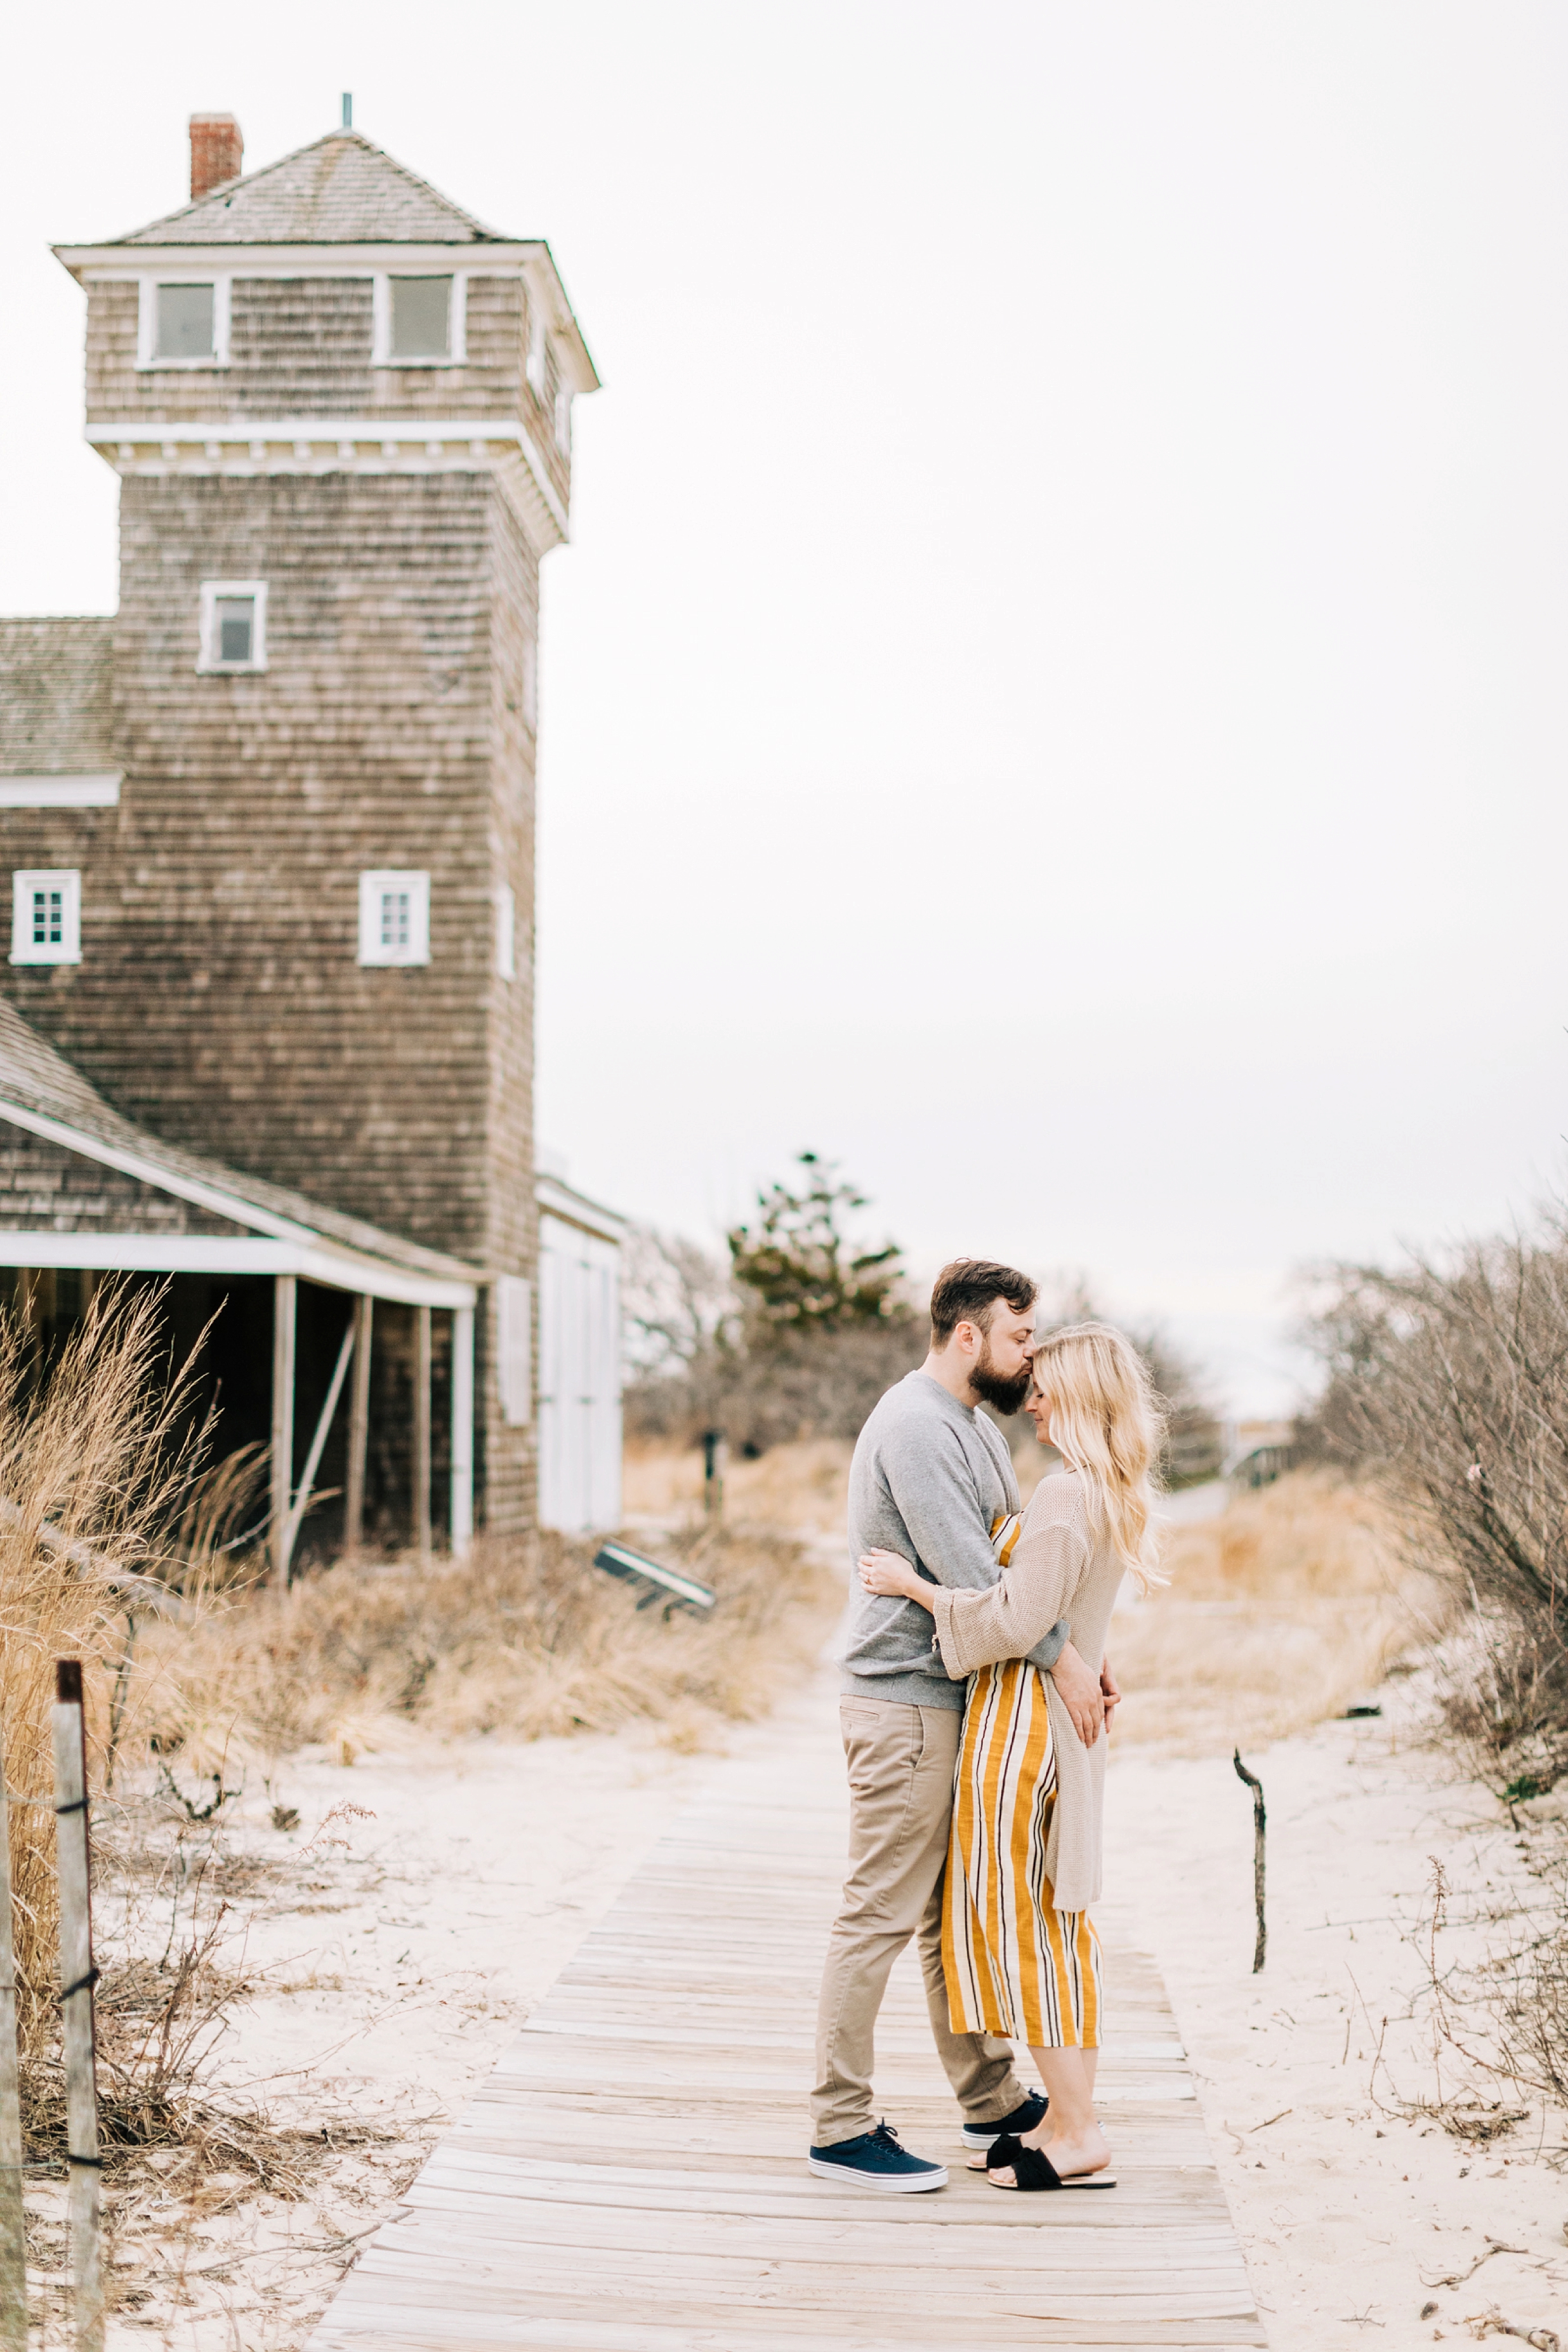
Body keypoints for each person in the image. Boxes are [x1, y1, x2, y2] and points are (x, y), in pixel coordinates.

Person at [807, 1262, 1113, 2193]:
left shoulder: (974, 1426)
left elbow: (1025, 1573)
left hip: (953, 1696)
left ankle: (989, 2097)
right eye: (1021, 1336)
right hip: (904, 1698)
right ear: (969, 1336)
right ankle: (840, 2123)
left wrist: (1078, 1649)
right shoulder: (916, 1426)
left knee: (948, 1918)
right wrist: (1065, 1658)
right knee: (881, 1911)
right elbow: (983, 1582)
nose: (1032, 1353)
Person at [858, 1320, 1164, 2191]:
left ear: (1076, 1395)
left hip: (1024, 1726)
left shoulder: (1068, 1495)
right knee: (1050, 1924)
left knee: (1036, 1932)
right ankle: (1062, 2118)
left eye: (1044, 1386)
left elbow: (1016, 1621)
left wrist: (912, 1585)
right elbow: (1065, 1614)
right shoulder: (1103, 1490)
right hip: (1053, 1725)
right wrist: (1086, 1652)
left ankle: (1074, 2130)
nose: (1030, 1400)